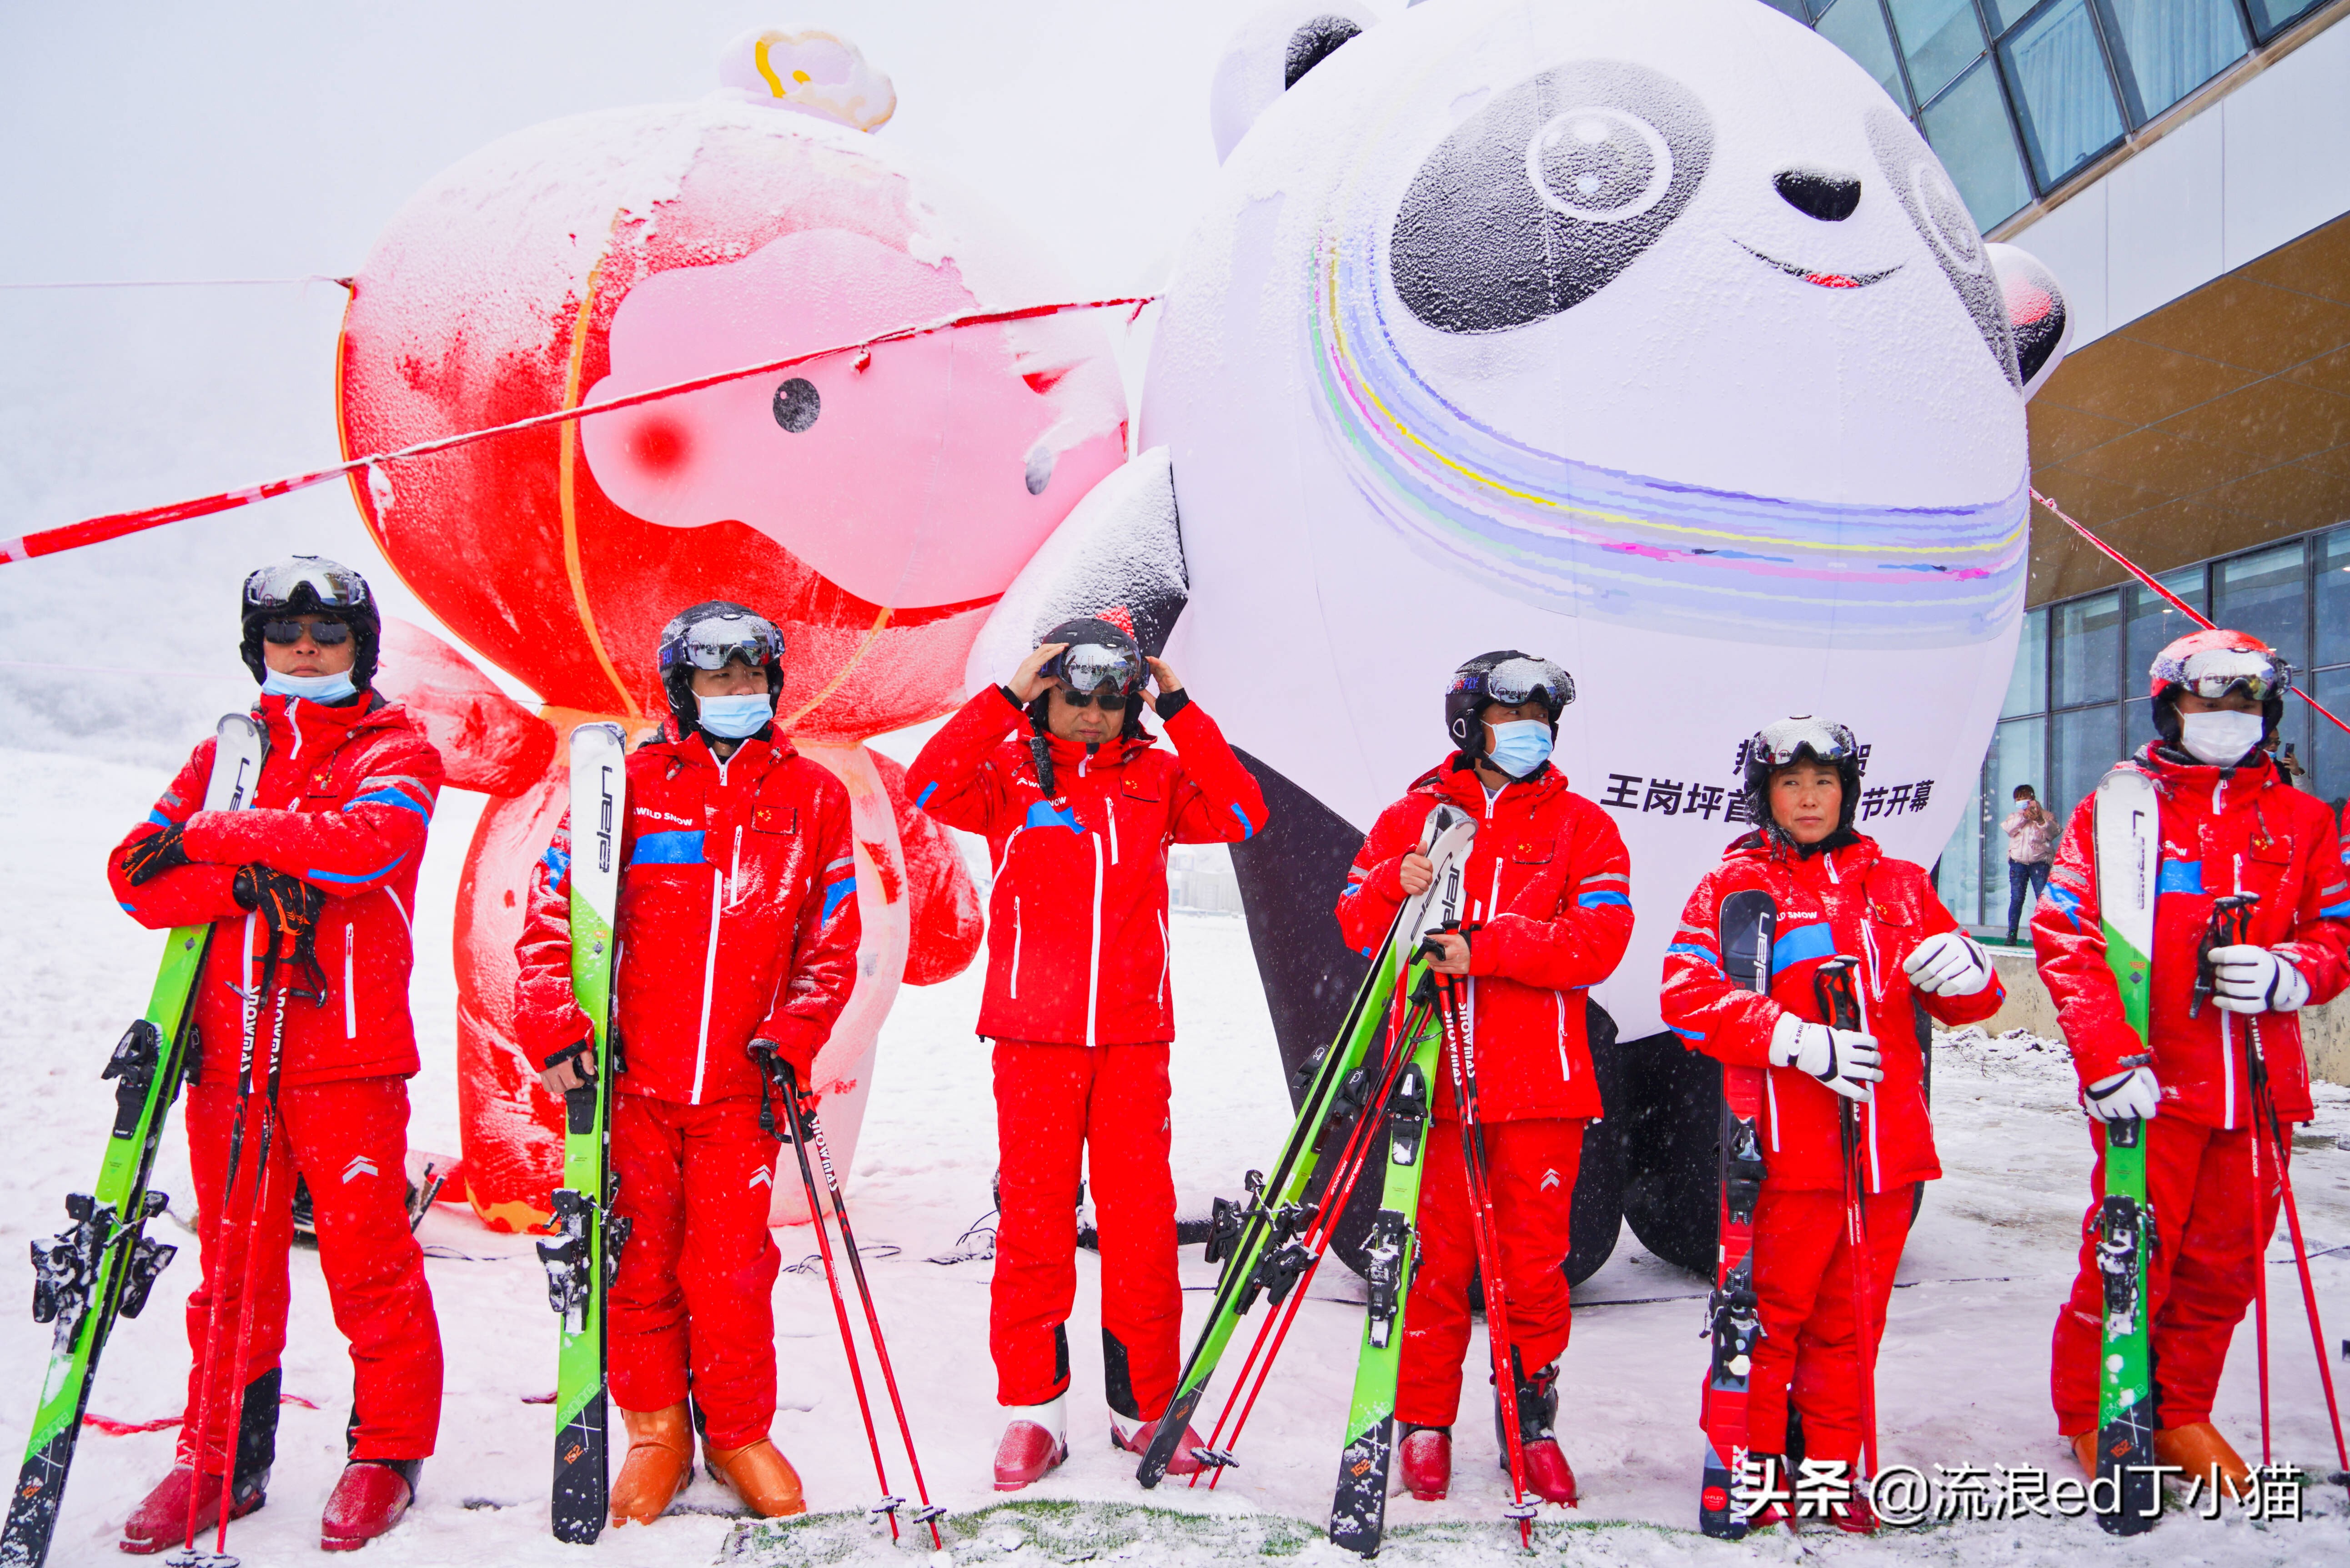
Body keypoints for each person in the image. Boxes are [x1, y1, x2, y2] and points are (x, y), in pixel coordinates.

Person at [107, 557, 444, 1553]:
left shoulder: (397, 746)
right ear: (257, 646)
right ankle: (218, 1458)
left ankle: (387, 1452)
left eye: (328, 632)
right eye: (286, 632)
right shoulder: (230, 750)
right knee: (233, 1269)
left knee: (369, 1262)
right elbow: (136, 875)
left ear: (359, 646)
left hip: (347, 1054)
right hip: (228, 1063)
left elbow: (369, 845)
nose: (306, 647)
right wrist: (250, 882)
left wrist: (216, 840)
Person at [512, 602, 862, 1526]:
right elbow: (554, 918)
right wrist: (554, 1021)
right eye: (718, 678)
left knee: (733, 1269)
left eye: (752, 677)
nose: (738, 693)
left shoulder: (813, 796)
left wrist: (796, 1029)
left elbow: (832, 942)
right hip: (631, 1083)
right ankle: (657, 1429)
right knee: (640, 1267)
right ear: (681, 686)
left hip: (742, 1087)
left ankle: (740, 1429)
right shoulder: (626, 785)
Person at [905, 612, 1267, 1489]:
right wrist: (1003, 699)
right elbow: (927, 785)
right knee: (1034, 1229)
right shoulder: (1003, 773)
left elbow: (1242, 811)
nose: (1096, 714)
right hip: (1032, 1039)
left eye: (1115, 698)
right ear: (1046, 690)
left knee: (1141, 1231)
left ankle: (1145, 1411)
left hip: (1134, 1040)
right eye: (1077, 695)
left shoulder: (1157, 777)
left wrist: (1178, 707)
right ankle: (1032, 1415)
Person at [1661, 717, 2005, 1533]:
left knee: (1850, 1324)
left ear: (1848, 793)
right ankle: (1747, 1463)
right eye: (1790, 784)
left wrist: (1973, 973)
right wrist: (1790, 1036)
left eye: (1823, 783)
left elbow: (1971, 1004)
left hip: (1885, 1151)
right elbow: (1685, 994)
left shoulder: (1895, 885)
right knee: (1768, 1316)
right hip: (1786, 1149)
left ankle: (1827, 1467)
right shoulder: (1733, 886)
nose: (1808, 798)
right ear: (1765, 795)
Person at [2034, 629, 2349, 1491]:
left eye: (2244, 702)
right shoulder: (2121, 809)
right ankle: (2099, 1409)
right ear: (2170, 705)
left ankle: (2177, 1408)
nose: (2225, 718)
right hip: (2152, 1085)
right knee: (2129, 1258)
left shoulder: (2300, 817)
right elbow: (2065, 935)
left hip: (2255, 1088)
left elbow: (2335, 934)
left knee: (2225, 1266)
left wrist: (2291, 971)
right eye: (2208, 700)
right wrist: (2105, 1054)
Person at [1333, 652, 1632, 1508]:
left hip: (1541, 1086)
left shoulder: (1583, 827)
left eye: (1541, 717)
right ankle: (1424, 1425)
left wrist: (1488, 946)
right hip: (1433, 1083)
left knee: (1531, 1267)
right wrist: (1396, 883)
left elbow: (1597, 940)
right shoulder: (1415, 817)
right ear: (1470, 723)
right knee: (1431, 1266)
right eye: (1511, 716)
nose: (1528, 733)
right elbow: (1354, 922)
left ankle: (1528, 1422)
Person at [2000, 784, 2055, 943]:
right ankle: (2012, 934)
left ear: (2032, 798)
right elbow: (2010, 829)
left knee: (2043, 899)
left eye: (2023, 798)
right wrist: (2024, 817)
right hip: (2018, 863)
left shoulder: (2047, 815)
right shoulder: (2015, 817)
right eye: (2018, 799)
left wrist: (2040, 819)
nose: (2021, 801)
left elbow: (2053, 833)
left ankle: (2046, 935)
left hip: (2040, 863)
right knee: (2017, 898)